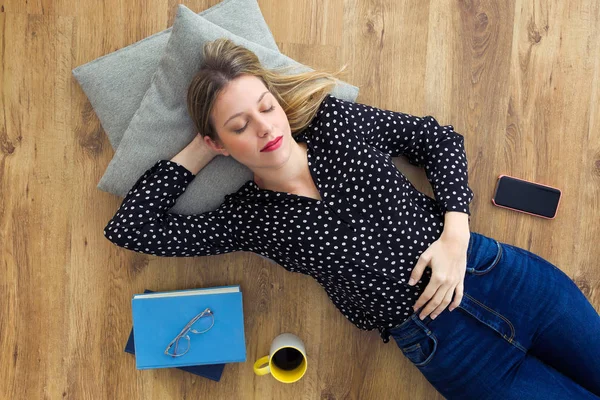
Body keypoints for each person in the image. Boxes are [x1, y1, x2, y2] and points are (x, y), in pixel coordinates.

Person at [103, 38, 600, 399]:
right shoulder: (250, 219)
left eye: (266, 107)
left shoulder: (337, 123)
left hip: (504, 278)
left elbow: (438, 140)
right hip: (445, 346)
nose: (265, 127)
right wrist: (197, 150)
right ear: (219, 143)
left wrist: (456, 231)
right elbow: (132, 229)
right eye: (239, 126)